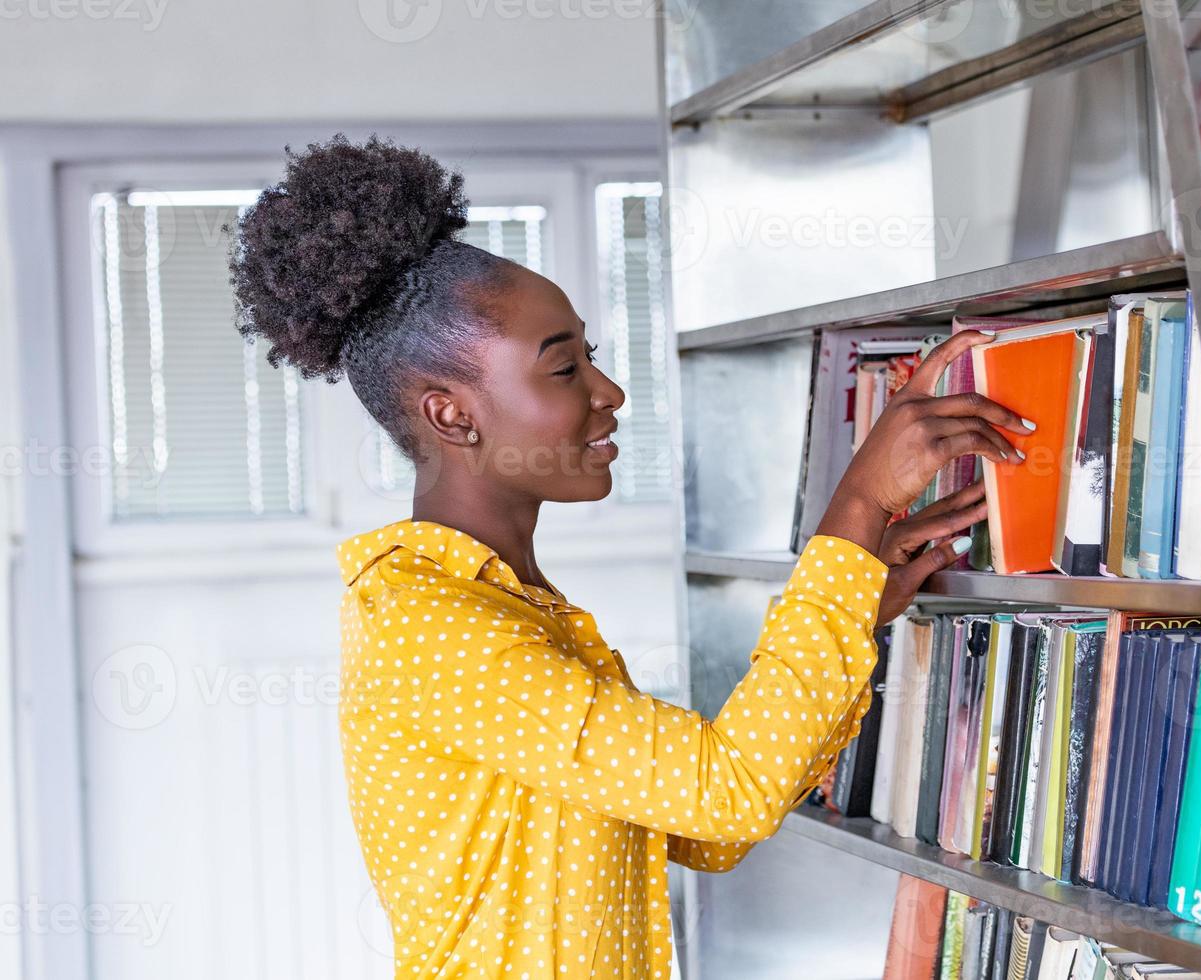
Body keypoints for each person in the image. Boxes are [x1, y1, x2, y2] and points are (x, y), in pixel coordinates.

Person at [229, 134, 1030, 980]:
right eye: (565, 368)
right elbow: (731, 791)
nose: (608, 395)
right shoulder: (438, 628)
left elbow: (702, 829)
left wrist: (851, 608)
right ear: (453, 416)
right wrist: (856, 504)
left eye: (592, 358)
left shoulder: (508, 604)